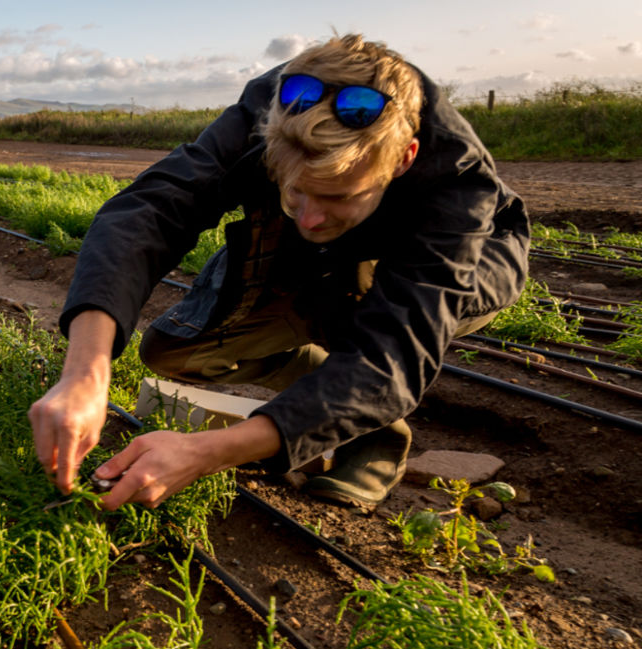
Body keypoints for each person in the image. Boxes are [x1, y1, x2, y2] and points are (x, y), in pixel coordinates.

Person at [28, 34, 529, 510]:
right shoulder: (270, 108)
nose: (309, 218)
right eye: (296, 192)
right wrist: (86, 372)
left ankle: (367, 430)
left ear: (403, 160)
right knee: (174, 350)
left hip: (466, 262)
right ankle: (339, 402)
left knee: (355, 308)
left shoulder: (455, 181)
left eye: (337, 196)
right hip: (340, 243)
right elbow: (152, 210)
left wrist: (209, 451)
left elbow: (394, 353)